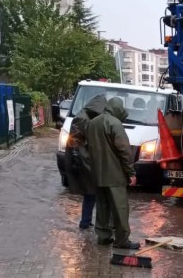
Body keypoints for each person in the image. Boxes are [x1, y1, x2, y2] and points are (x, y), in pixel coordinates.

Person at [86, 98, 140, 249]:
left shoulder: (93, 123)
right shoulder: (115, 124)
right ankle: (122, 240)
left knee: (102, 206)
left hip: (97, 173)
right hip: (114, 174)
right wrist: (131, 172)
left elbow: (86, 147)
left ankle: (103, 236)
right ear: (117, 109)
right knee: (120, 207)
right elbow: (124, 150)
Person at [65, 94, 107, 229]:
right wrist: (77, 157)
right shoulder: (82, 118)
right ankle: (86, 222)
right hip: (84, 160)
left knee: (91, 193)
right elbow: (75, 140)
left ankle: (86, 221)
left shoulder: (84, 116)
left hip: (85, 159)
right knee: (92, 192)